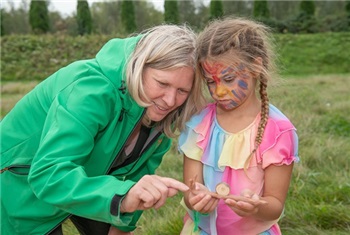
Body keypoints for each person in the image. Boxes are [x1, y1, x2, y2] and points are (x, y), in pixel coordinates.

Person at [0, 24, 207, 235]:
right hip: (22, 186)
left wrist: (122, 225)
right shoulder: (91, 90)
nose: (170, 100)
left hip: (88, 184)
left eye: (182, 90)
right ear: (139, 66)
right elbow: (48, 175)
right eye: (162, 83)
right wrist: (123, 198)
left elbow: (141, 177)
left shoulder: (164, 112)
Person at [178, 17, 299, 234]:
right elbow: (189, 191)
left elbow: (274, 206)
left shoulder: (278, 131)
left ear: (256, 67)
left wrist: (256, 208)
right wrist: (194, 198)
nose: (218, 92)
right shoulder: (199, 124)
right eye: (211, 82)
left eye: (229, 78)